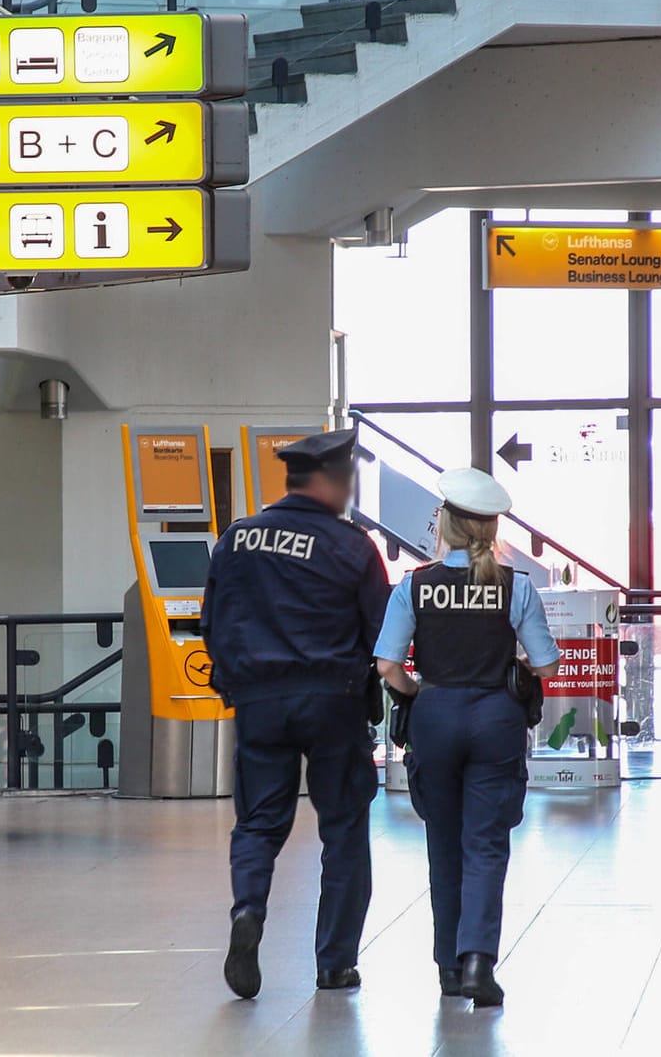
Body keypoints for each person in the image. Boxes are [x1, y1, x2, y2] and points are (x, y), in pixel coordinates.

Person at [200, 427, 391, 1000]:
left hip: (259, 701)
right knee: (344, 827)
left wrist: (240, 681)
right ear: (331, 482)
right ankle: (334, 963)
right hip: (332, 702)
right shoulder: (353, 546)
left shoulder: (235, 539)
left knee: (258, 823)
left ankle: (248, 910)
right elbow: (381, 633)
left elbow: (211, 623)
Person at [372, 467, 558, 1008]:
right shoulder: (515, 586)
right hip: (496, 718)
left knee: (443, 843)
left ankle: (449, 967)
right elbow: (546, 664)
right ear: (490, 530)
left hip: (435, 714)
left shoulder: (415, 585)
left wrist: (418, 692)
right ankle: (479, 959)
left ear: (445, 526)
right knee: (485, 843)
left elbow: (387, 665)